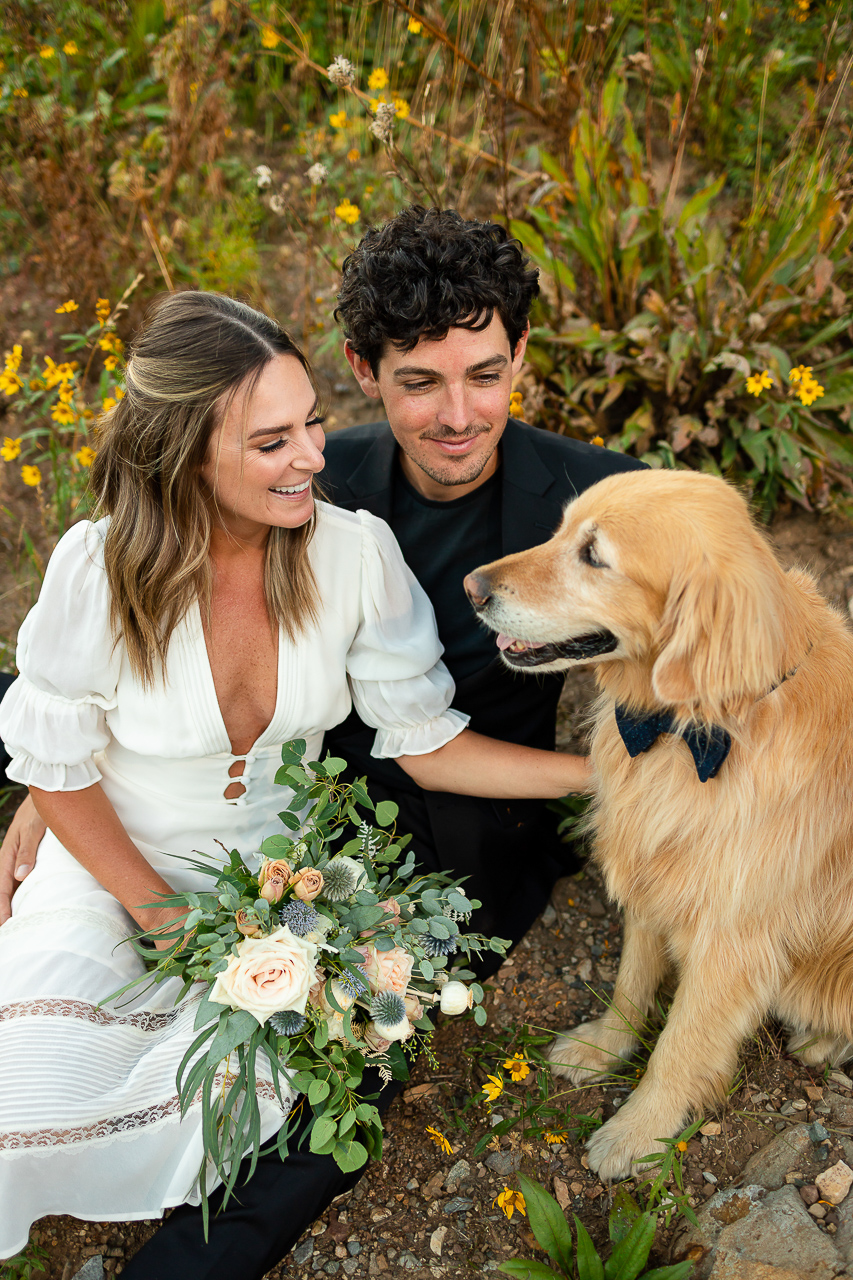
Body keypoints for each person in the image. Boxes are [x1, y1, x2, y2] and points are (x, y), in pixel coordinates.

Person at [0, 290, 590, 1273]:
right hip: (112, 861)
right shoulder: (97, 567)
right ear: (190, 455)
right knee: (20, 1092)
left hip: (278, 880)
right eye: (272, 441)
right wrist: (153, 912)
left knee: (303, 1071)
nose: (315, 455)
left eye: (311, 423)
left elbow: (427, 743)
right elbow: (58, 773)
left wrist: (598, 777)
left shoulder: (351, 555)